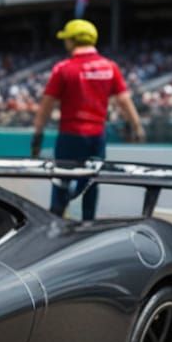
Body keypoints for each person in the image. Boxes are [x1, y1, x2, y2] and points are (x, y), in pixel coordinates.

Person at [30, 18, 145, 220]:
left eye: (66, 39)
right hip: (97, 137)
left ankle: (56, 220)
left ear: (72, 40)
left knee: (62, 180)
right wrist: (137, 127)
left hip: (69, 137)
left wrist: (38, 134)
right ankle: (88, 223)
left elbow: (47, 105)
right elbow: (124, 101)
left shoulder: (63, 68)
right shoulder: (110, 67)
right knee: (91, 182)